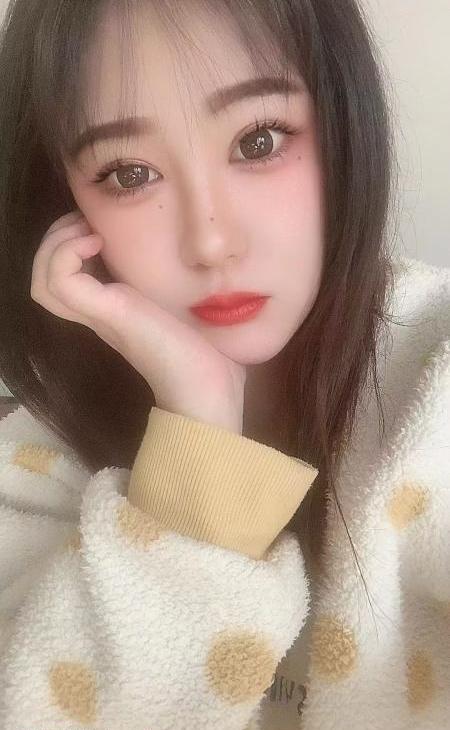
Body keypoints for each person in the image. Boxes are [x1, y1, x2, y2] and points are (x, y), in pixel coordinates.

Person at [0, 1, 448, 728]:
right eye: (129, 173)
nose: (210, 242)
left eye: (258, 140)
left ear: (341, 124)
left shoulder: (437, 378)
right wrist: (197, 434)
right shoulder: (34, 462)